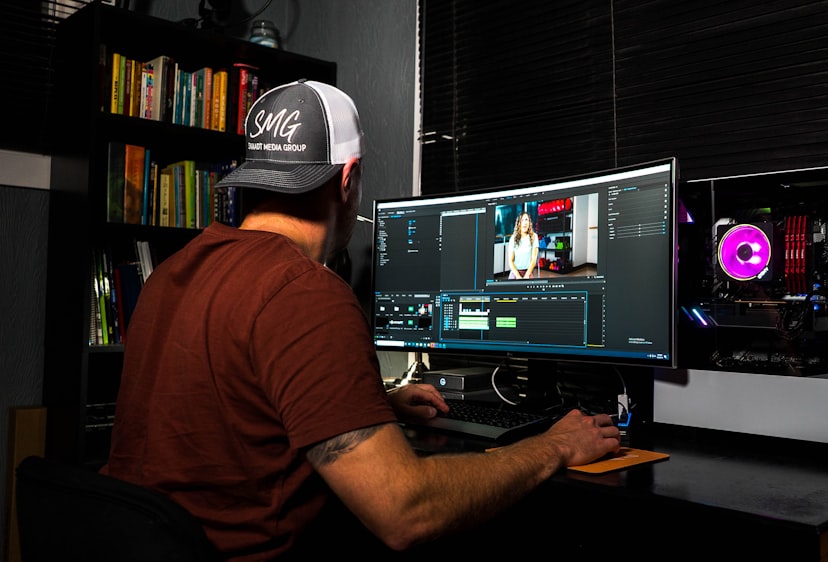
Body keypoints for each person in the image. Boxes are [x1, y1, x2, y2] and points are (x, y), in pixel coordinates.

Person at [101, 79, 620, 560]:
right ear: (348, 180)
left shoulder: (171, 273)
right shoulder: (303, 291)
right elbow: (404, 512)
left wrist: (367, 407)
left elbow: (216, 411)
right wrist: (551, 447)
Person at [508, 211, 539, 279]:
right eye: (522, 220)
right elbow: (511, 261)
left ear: (529, 222)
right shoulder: (513, 238)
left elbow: (534, 259)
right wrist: (518, 276)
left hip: (528, 272)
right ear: (519, 223)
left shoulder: (534, 237)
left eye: (526, 220)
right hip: (515, 272)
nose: (525, 223)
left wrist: (527, 275)